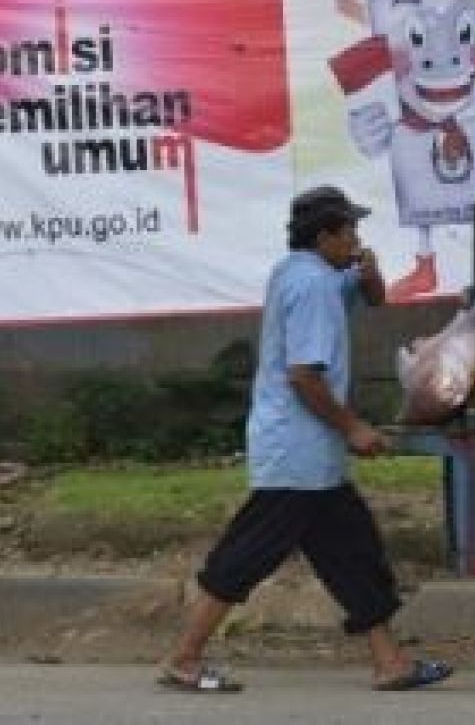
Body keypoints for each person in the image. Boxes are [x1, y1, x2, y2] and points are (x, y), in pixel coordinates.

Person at [157, 186, 453, 693]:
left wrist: (370, 271)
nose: (357, 238)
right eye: (350, 231)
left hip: (311, 459)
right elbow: (304, 376)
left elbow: (374, 298)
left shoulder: (301, 273)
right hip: (296, 454)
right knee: (246, 556)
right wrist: (353, 427)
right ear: (326, 236)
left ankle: (390, 662)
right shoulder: (314, 287)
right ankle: (184, 658)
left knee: (354, 554)